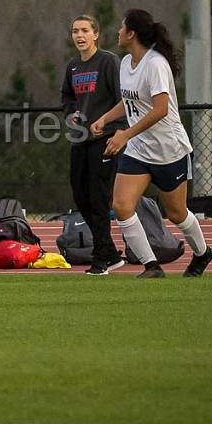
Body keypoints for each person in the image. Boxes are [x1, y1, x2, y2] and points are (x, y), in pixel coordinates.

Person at [90, 9, 212, 279]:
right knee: (122, 205)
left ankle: (203, 253)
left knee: (176, 212)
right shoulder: (125, 64)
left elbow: (159, 109)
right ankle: (151, 266)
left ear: (132, 33)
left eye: (122, 27)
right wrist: (106, 118)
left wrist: (124, 134)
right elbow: (129, 101)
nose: (118, 32)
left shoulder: (156, 64)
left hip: (168, 150)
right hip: (138, 150)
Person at [61, 15, 128, 276]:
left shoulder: (109, 61)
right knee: (80, 195)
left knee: (99, 199)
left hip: (106, 138)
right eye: (75, 31)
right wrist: (71, 113)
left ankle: (101, 259)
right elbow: (66, 97)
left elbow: (123, 98)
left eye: (85, 30)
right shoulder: (73, 66)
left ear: (96, 34)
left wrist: (117, 129)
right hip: (80, 138)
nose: (79, 35)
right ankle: (110, 252)